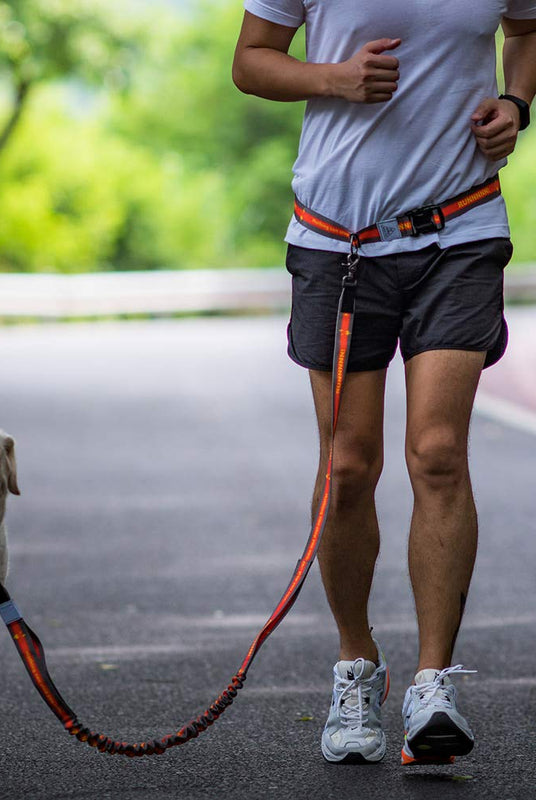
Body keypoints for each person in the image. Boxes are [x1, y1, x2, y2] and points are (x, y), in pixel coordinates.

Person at [232, 1, 536, 766]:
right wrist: (331, 77)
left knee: (437, 452)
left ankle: (435, 682)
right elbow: (252, 60)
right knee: (347, 464)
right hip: (339, 241)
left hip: (460, 228)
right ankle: (356, 666)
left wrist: (516, 104)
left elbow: (527, 32)